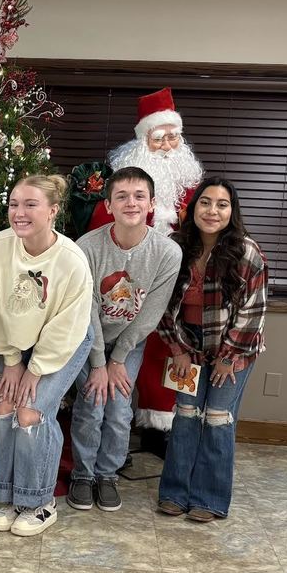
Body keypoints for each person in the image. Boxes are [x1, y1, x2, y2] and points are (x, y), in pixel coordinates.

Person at [86, 88, 205, 458]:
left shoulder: (194, 191)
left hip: (181, 290)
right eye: (159, 137)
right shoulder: (125, 193)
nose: (168, 145)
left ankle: (160, 425)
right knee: (131, 358)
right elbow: (100, 238)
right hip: (125, 295)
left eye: (174, 136)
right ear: (143, 140)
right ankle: (108, 449)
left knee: (171, 353)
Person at [0, 175, 93, 537]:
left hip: (65, 341)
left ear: (53, 211)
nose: (19, 212)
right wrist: (13, 362)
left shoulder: (71, 261)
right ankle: (12, 498)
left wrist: (36, 369)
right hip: (16, 339)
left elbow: (67, 327)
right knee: (3, 404)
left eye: (31, 204)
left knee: (30, 411)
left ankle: (40, 502)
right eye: (14, 204)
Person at [69, 168, 182, 513]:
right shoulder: (86, 247)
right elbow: (86, 308)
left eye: (138, 196)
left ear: (150, 203)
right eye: (121, 196)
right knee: (91, 405)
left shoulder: (167, 253)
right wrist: (100, 363)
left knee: (118, 410)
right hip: (89, 341)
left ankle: (108, 474)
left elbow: (150, 314)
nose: (130, 202)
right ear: (108, 204)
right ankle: (83, 474)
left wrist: (117, 360)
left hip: (127, 345)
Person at [156, 178, 267, 522]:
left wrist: (228, 358)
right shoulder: (176, 247)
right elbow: (159, 303)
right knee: (186, 417)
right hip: (187, 346)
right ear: (193, 208)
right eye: (205, 202)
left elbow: (253, 310)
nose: (212, 211)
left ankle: (210, 497)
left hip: (233, 350)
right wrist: (177, 348)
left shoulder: (247, 252)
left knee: (218, 420)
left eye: (222, 204)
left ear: (232, 212)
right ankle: (175, 492)